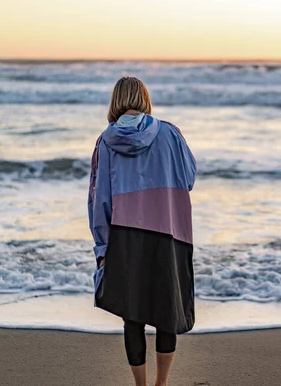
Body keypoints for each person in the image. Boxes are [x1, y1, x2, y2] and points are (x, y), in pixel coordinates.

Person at [88, 76, 196, 386]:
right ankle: (162, 383)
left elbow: (99, 199)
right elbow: (188, 178)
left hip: (124, 236)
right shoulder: (171, 134)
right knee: (167, 312)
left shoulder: (105, 141)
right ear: (145, 99)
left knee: (132, 316)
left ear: (115, 101)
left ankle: (141, 385)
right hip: (168, 233)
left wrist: (102, 250)